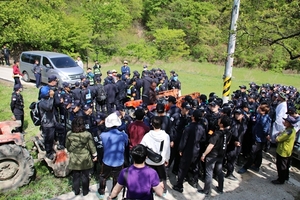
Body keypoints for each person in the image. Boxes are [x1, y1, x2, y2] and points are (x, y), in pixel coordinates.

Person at [173, 109, 206, 192]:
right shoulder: (202, 128)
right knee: (195, 166)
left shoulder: (188, 128)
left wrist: (180, 149)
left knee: (183, 167)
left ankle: (179, 185)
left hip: (188, 150)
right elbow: (203, 139)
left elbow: (184, 140)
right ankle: (194, 181)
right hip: (197, 149)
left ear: (193, 117)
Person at [97, 112, 128, 199]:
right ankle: (114, 195)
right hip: (119, 161)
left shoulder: (103, 135)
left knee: (103, 176)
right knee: (117, 179)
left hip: (107, 160)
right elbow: (125, 145)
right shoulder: (124, 135)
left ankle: (101, 191)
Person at [198, 115, 231, 196]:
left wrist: (204, 154)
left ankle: (206, 190)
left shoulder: (217, 134)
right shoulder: (228, 133)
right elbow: (227, 143)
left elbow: (211, 145)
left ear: (222, 124)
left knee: (209, 172)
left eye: (220, 120)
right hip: (221, 154)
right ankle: (220, 188)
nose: (218, 120)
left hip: (212, 155)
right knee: (219, 171)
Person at [66, 117, 97, 196]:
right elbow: (92, 146)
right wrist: (94, 155)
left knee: (75, 175)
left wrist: (72, 150)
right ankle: (85, 192)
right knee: (85, 175)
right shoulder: (87, 134)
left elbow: (67, 146)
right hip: (85, 158)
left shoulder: (69, 134)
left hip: (74, 158)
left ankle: (76, 191)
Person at [238, 103, 271, 174]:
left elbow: (265, 130)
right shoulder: (261, 116)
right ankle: (257, 165)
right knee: (259, 153)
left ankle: (245, 167)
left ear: (263, 111)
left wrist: (266, 135)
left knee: (253, 153)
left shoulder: (265, 119)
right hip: (256, 137)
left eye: (259, 108)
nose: (258, 109)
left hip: (259, 139)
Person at [140, 116, 170, 195]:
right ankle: (163, 190)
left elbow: (142, 147)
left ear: (152, 125)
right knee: (162, 176)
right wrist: (167, 159)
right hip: (161, 160)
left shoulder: (147, 136)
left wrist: (144, 157)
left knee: (150, 176)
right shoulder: (166, 136)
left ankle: (151, 190)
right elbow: (167, 149)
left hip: (149, 160)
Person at [271, 115, 297, 184]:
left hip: (283, 151)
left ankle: (280, 180)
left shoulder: (288, 132)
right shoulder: (292, 130)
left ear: (289, 123)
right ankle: (285, 177)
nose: (284, 122)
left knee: (281, 166)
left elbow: (278, 139)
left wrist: (277, 136)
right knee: (286, 165)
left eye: (285, 121)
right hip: (288, 151)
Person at [39, 85, 57, 160]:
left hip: (51, 122)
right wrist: (51, 97)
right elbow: (49, 107)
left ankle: (51, 147)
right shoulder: (42, 102)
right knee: (48, 139)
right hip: (47, 124)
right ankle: (48, 153)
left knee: (52, 137)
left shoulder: (47, 99)